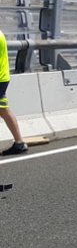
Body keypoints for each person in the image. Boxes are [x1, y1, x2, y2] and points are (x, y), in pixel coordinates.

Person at [0, 28, 27, 156]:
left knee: (3, 110)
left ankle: (20, 143)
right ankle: (19, 143)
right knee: (3, 110)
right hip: (3, 77)